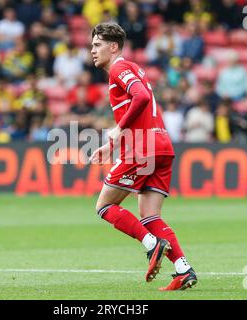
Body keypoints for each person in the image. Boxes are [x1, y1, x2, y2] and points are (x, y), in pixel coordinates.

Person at [88, 22, 197, 291]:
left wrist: (119, 128)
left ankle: (152, 244)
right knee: (150, 215)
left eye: (97, 45)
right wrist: (111, 146)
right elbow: (141, 104)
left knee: (104, 206)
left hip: (142, 148)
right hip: (161, 145)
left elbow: (142, 97)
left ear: (113, 47)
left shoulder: (120, 68)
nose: (92, 50)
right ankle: (183, 269)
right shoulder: (134, 68)